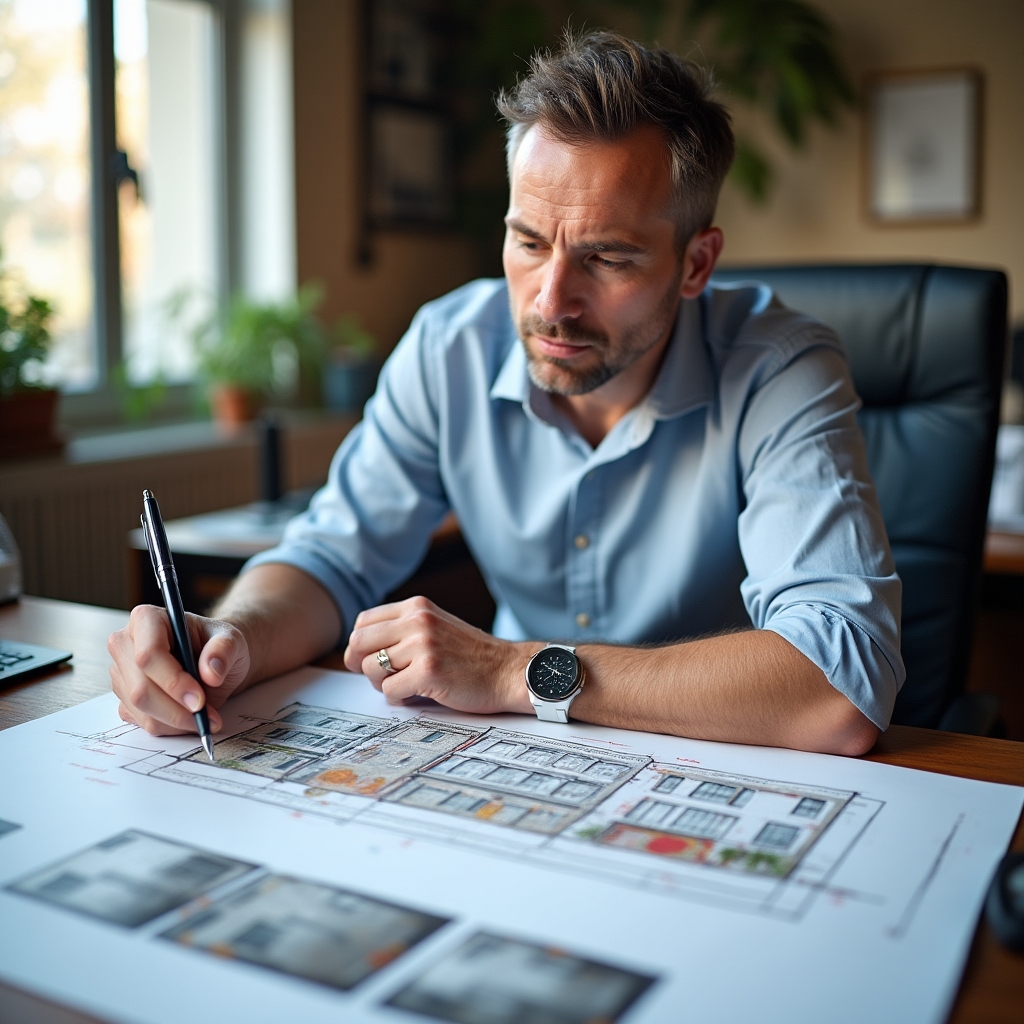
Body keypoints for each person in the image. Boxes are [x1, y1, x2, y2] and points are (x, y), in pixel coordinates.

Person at [108, 31, 902, 756]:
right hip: (512, 758)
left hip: (724, 761)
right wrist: (231, 639)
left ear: (696, 263)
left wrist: (514, 671)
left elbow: (838, 686)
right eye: (528, 242)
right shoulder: (448, 344)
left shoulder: (780, 367)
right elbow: (328, 557)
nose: (550, 301)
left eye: (609, 259)